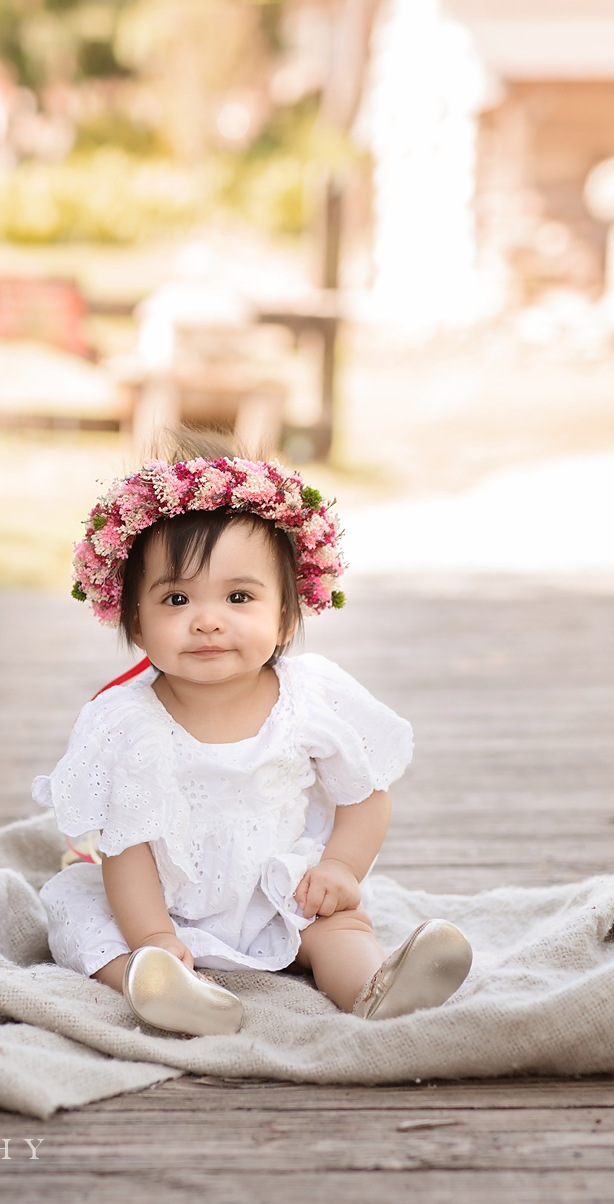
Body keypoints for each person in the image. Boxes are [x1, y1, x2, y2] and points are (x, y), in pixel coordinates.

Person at [32, 431, 472, 1037]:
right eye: (177, 598)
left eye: (239, 596)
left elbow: (364, 791)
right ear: (135, 620)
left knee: (339, 924)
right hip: (161, 905)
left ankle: (375, 991)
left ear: (287, 614)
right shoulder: (125, 722)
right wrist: (156, 937)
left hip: (280, 891)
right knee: (81, 917)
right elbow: (125, 848)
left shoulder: (311, 697)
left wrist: (341, 867)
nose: (208, 619)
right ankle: (168, 989)